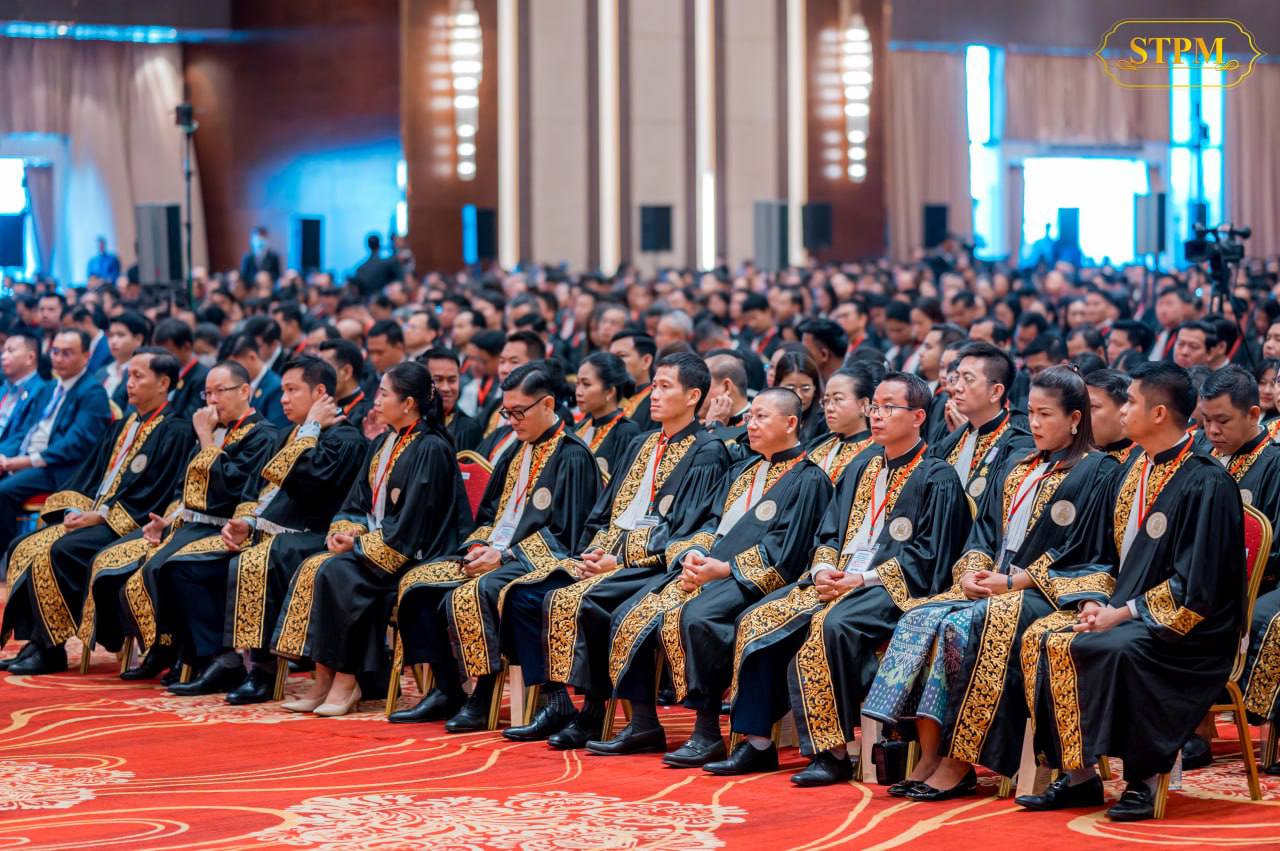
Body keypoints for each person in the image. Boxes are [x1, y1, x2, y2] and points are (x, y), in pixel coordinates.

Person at [411, 353, 728, 745]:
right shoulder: (642, 443)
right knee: (530, 597)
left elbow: (684, 527)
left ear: (693, 396)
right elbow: (601, 515)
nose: (654, 395)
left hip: (655, 564)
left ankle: (602, 713)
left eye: (665, 387)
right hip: (608, 557)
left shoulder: (706, 451)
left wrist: (617, 558)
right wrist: (595, 553)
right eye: (654, 386)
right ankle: (560, 704)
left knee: (571, 601)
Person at [863, 366, 1120, 799]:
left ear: (1076, 418)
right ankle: (929, 754)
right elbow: (982, 533)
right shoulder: (1019, 467)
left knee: (960, 627)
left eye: (1046, 414)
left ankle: (959, 759)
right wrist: (971, 572)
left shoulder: (1098, 470)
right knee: (919, 616)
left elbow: (1089, 551)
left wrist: (1014, 580)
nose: (1034, 423)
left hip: (1047, 593)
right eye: (1031, 412)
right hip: (994, 583)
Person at [712, 372, 970, 783]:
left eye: (888, 407)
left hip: (891, 587)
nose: (877, 415)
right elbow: (828, 533)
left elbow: (928, 556)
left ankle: (832, 752)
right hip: (836, 579)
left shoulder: (936, 476)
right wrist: (822, 569)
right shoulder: (860, 466)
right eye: (874, 407)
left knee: (830, 625)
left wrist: (860, 580)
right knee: (756, 619)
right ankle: (757, 743)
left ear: (919, 416)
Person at [1018, 362, 1244, 822]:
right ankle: (1078, 776)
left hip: (1189, 628)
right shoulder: (1132, 470)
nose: (1122, 410)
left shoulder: (1206, 481)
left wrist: (1122, 614)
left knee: (1116, 648)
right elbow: (1099, 553)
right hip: (1125, 611)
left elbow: (1198, 585)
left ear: (1158, 413)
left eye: (1131, 402)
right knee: (1044, 637)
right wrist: (1094, 600)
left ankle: (1143, 779)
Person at [587, 388, 833, 767]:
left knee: (699, 618)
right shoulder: (742, 469)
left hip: (754, 579)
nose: (751, 424)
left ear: (790, 423)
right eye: (750, 417)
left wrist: (725, 569)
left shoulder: (809, 479)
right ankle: (643, 723)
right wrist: (694, 555)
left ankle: (707, 732)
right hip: (709, 571)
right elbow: (709, 522)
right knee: (629, 612)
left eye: (762, 417)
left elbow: (788, 550)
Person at [392, 362, 600, 730]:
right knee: (418, 585)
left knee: (477, 591)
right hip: (497, 553)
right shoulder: (516, 450)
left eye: (519, 412)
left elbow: (567, 535)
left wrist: (503, 556)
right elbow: (488, 513)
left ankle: (484, 695)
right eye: (507, 412)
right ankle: (447, 688)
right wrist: (479, 545)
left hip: (541, 560)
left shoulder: (571, 455)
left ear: (547, 404)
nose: (512, 421)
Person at [272, 361, 472, 716]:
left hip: (415, 552)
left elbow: (414, 524)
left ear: (408, 403)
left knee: (341, 574)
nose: (375, 401)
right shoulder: (383, 441)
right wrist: (346, 532)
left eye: (383, 394)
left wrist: (359, 546)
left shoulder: (430, 447)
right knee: (317, 566)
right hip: (378, 545)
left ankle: (348, 679)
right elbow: (357, 502)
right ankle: (323, 679)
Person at [82, 360, 278, 686]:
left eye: (220, 392)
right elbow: (183, 488)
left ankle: (211, 657)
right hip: (188, 523)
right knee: (113, 560)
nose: (211, 401)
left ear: (245, 391)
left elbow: (230, 490)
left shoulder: (262, 434)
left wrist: (206, 439)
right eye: (207, 393)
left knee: (170, 567)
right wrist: (167, 520)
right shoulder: (215, 430)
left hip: (227, 527)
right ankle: (165, 646)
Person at [0, 348, 192, 675]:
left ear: (163, 383)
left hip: (129, 523)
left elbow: (156, 493)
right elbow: (91, 475)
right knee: (24, 545)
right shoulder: (124, 425)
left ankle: (51, 647)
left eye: (138, 376)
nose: (129, 383)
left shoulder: (176, 430)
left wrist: (102, 516)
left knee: (60, 550)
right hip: (95, 514)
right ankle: (37, 642)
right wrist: (76, 510)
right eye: (128, 375)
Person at [213, 357, 368, 703]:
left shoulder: (345, 438)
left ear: (320, 392)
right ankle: (218, 659)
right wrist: (247, 523)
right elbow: (258, 490)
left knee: (260, 559)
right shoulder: (290, 434)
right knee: (212, 555)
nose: (283, 398)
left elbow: (309, 485)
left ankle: (263, 671)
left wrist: (311, 429)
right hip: (279, 531)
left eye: (292, 390)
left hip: (317, 534)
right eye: (282, 390)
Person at [0, 329, 112, 556]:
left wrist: (24, 461)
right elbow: (25, 431)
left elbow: (75, 443)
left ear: (86, 356)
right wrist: (5, 456)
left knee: (2, 492)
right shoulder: (50, 387)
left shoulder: (93, 392)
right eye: (55, 352)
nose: (59, 359)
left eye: (67, 353)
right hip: (28, 459)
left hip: (60, 469)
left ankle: (8, 556)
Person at [930, 342, 1034, 500]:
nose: (957, 387)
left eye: (968, 379)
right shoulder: (949, 441)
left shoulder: (1017, 447)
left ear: (995, 392)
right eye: (956, 378)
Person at [572, 351, 641, 480]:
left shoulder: (626, 432)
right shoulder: (580, 427)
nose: (578, 392)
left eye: (586, 384)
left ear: (609, 392)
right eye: (577, 384)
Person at [807, 363, 879, 483]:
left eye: (838, 399)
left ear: (863, 404)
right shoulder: (817, 444)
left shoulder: (876, 453)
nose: (829, 408)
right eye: (826, 400)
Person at [423, 347, 482, 452]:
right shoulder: (409, 420)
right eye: (438, 380)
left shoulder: (468, 429)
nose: (446, 388)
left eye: (452, 380)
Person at [227, 332, 288, 428]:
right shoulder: (242, 384)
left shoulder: (275, 387)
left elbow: (276, 429)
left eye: (235, 367)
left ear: (252, 357)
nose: (232, 373)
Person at [154, 318, 209, 418]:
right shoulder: (161, 371)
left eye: (167, 353)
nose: (161, 357)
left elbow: (190, 417)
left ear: (186, 347)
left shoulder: (202, 377)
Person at [94, 312, 149, 413]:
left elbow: (132, 415)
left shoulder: (143, 374)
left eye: (120, 335)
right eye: (110, 335)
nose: (113, 341)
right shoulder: (101, 372)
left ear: (138, 339)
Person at [317, 338, 374, 430]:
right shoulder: (317, 408)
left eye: (324, 369)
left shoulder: (368, 415)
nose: (317, 375)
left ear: (346, 372)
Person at [1086, 369, 1139, 467]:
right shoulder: (1078, 453)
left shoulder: (1141, 459)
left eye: (1092, 407)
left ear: (1124, 409)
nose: (1084, 415)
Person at [0, 331, 47, 438]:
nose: (3, 356)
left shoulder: (41, 392)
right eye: (3, 351)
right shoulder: (3, 387)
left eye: (10, 351)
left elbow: (22, 437)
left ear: (30, 358)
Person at [775, 350, 828, 443]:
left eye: (805, 389)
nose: (799, 396)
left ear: (815, 388)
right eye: (791, 388)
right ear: (777, 386)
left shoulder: (824, 423)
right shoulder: (765, 417)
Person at [611, 331, 657, 432]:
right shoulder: (607, 397)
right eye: (610, 357)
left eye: (621, 356)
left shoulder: (657, 403)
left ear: (646, 361)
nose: (611, 363)